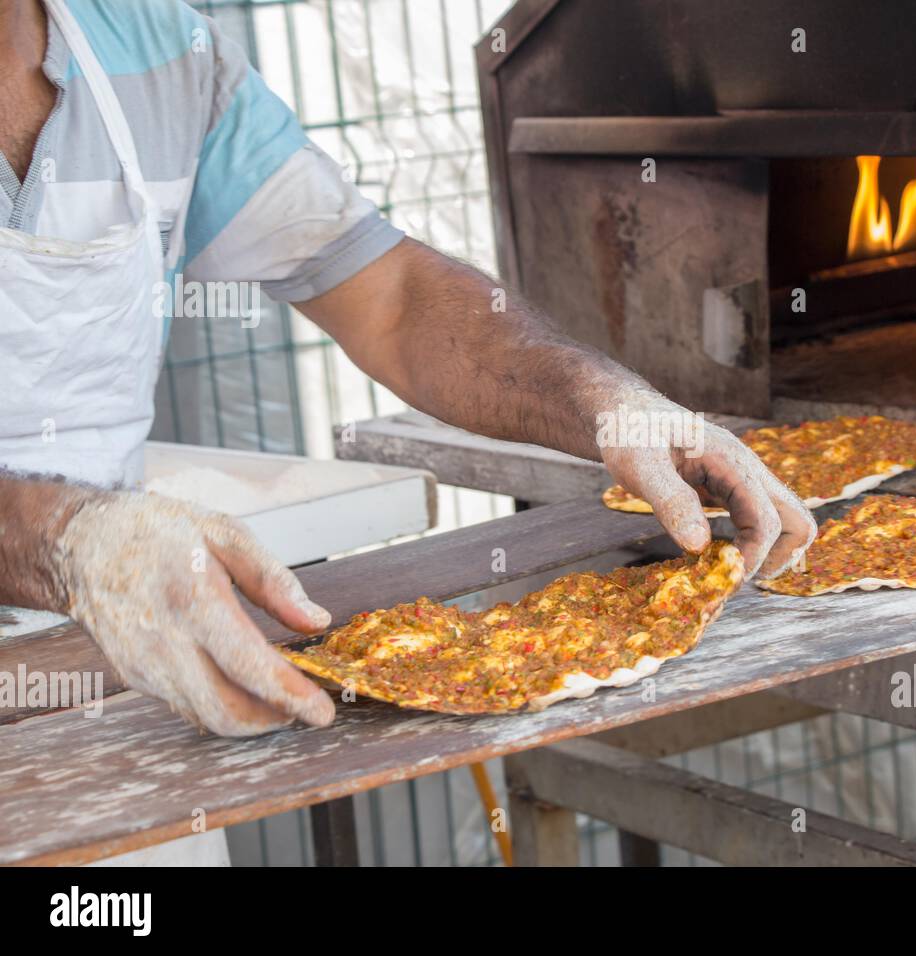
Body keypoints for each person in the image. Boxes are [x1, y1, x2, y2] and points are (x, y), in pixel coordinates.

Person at [0, 0, 816, 739]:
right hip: (95, 586)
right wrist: (68, 542)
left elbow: (390, 299)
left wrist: (604, 400)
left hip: (128, 653)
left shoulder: (157, 51)